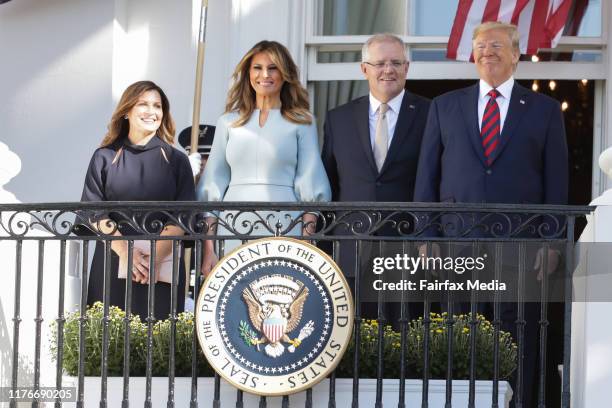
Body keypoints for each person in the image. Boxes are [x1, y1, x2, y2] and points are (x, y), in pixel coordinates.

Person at [414, 22, 568, 408]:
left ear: (516, 55)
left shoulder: (544, 111)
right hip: (457, 247)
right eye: (480, 45)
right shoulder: (445, 106)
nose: (487, 52)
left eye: (497, 45)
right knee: (458, 345)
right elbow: (426, 179)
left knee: (522, 348)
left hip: (521, 251)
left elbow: (557, 185)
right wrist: (426, 236)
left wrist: (551, 243)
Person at [321, 33, 430, 325]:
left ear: (407, 67)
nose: (388, 70)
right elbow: (329, 184)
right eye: (380, 63)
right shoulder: (338, 118)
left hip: (407, 245)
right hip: (351, 246)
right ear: (364, 68)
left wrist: (428, 236)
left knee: (405, 337)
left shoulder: (431, 114)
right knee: (350, 335)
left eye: (396, 62)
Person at [195, 40, 331, 275]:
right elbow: (212, 187)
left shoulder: (302, 122)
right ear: (248, 73)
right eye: (257, 67)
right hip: (233, 224)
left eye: (273, 67)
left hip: (286, 222)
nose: (264, 75)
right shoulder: (228, 122)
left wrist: (307, 245)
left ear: (285, 74)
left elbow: (311, 183)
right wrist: (209, 249)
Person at [81, 80, 195, 321]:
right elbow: (93, 210)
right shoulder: (104, 157)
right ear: (126, 111)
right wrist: (126, 251)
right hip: (112, 259)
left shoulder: (177, 160)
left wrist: (154, 256)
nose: (151, 111)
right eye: (143, 104)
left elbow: (184, 215)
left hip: (163, 264)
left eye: (157, 106)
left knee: (160, 340)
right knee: (107, 338)